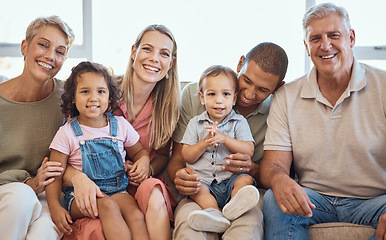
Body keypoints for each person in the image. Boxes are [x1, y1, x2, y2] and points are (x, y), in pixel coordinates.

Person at [260, 3, 386, 240]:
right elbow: (272, 165)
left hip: (375, 201)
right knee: (272, 199)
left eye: (334, 35)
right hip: (314, 200)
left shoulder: (384, 86)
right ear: (307, 47)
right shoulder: (286, 96)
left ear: (351, 38)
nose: (325, 45)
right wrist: (279, 180)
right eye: (315, 38)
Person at [62, 24, 180, 240]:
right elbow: (67, 148)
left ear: (170, 64)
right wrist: (78, 178)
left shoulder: (167, 108)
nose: (154, 58)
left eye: (164, 54)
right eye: (147, 49)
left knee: (153, 191)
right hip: (97, 187)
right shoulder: (100, 92)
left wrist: (147, 167)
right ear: (134, 52)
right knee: (98, 224)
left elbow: (162, 155)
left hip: (139, 184)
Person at [168, 42, 289, 239]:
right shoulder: (193, 95)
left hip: (241, 195)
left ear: (277, 88)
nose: (249, 94)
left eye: (262, 89)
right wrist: (180, 176)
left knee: (247, 228)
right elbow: (178, 160)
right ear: (241, 63)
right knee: (190, 228)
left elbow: (277, 171)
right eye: (246, 80)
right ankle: (213, 213)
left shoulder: (277, 111)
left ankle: (234, 208)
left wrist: (252, 169)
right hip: (201, 187)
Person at [46, 61, 151, 240]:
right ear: (73, 97)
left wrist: (143, 162)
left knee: (136, 215)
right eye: (85, 91)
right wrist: (55, 207)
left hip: (118, 191)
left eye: (101, 91)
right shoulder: (67, 132)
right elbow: (55, 173)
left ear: (110, 97)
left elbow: (140, 152)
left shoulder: (121, 126)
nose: (93, 98)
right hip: (80, 198)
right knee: (107, 206)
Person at [0, 16, 74, 240]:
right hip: (8, 192)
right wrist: (29, 183)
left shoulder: (68, 99)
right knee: (21, 196)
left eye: (60, 51)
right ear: (25, 46)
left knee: (45, 231)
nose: (51, 56)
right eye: (43, 44)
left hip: (49, 196)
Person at [181, 65, 259, 233]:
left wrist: (225, 139)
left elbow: (248, 150)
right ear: (202, 98)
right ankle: (215, 215)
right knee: (197, 189)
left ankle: (235, 206)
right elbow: (186, 154)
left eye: (226, 94)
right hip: (205, 181)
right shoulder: (195, 123)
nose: (219, 100)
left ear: (234, 98)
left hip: (231, 179)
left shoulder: (239, 122)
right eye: (211, 94)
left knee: (244, 181)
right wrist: (204, 143)